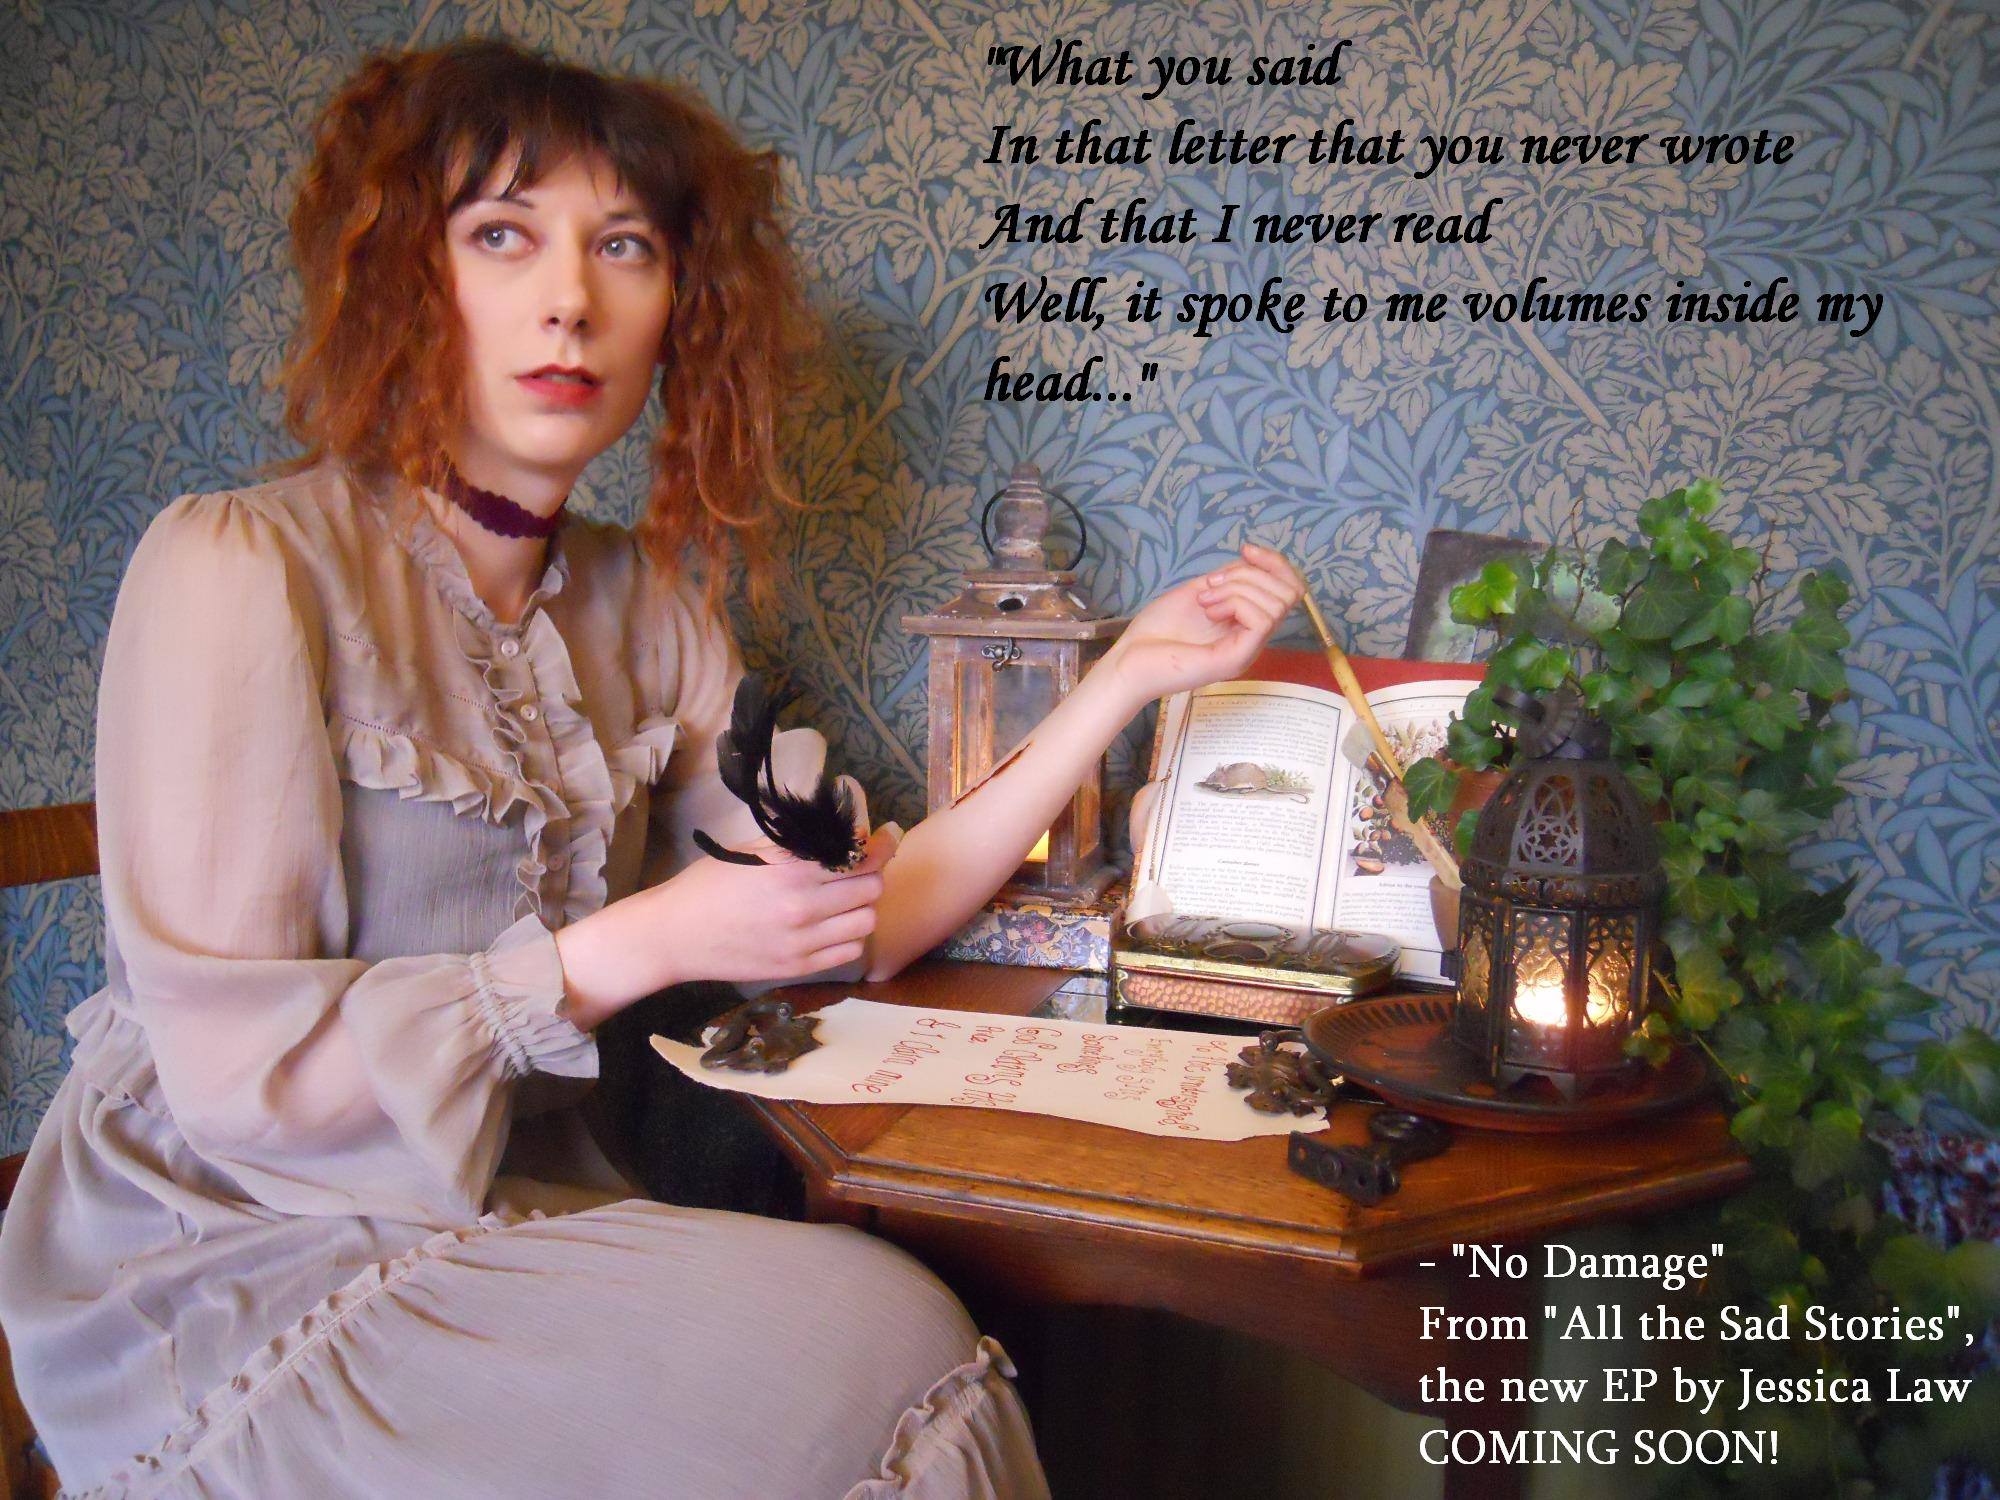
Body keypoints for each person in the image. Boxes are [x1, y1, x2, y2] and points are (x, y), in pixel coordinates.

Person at [0, 37, 1304, 1499]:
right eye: (504, 235)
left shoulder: (647, 607)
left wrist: (1124, 676)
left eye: (623, 246)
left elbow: (857, 919)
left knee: (887, 1338)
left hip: (493, 1210)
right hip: (223, 1251)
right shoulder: (240, 567)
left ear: (679, 305)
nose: (570, 299)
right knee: (880, 1344)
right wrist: (635, 944)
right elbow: (242, 1085)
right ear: (407, 276)